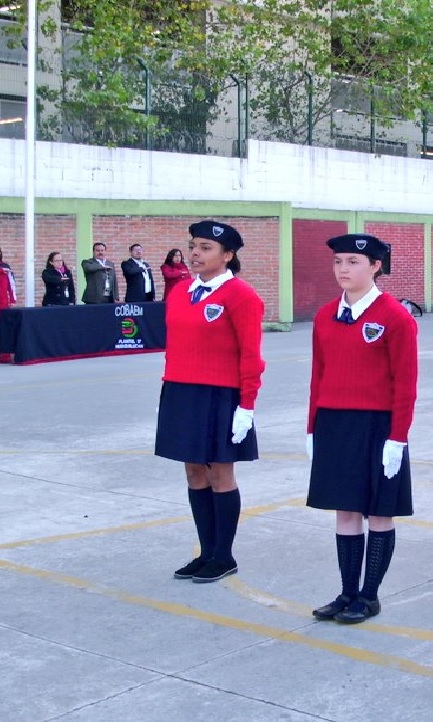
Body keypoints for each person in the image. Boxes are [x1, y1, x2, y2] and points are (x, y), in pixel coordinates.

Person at [307, 233, 418, 625]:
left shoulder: (394, 316)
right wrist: (312, 428)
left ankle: (369, 596)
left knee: (379, 513)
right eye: (338, 261)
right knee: (345, 511)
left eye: (353, 262)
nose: (343, 269)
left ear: (375, 266)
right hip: (336, 424)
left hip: (378, 426)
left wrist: (398, 437)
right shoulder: (325, 316)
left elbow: (405, 383)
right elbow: (318, 375)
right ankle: (346, 592)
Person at [154, 220, 265, 584]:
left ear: (227, 255)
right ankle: (205, 552)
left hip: (220, 395)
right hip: (182, 391)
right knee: (193, 471)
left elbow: (251, 355)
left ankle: (223, 555)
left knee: (220, 473)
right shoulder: (181, 291)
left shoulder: (241, 296)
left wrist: (246, 405)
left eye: (205, 248)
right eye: (193, 246)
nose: (195, 254)